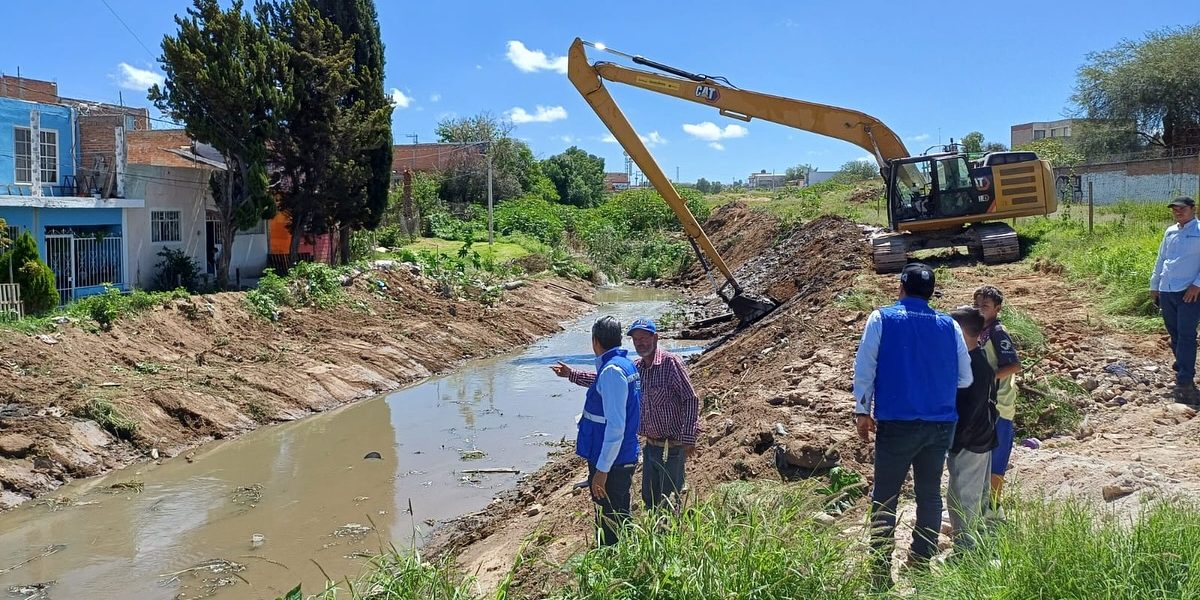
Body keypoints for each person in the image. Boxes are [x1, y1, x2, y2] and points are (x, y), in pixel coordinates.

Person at [852, 262, 972, 586]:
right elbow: (966, 377)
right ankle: (920, 562)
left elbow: (865, 367)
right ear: (931, 292)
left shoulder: (881, 319)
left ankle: (879, 572)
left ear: (901, 288)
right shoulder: (950, 326)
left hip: (897, 424)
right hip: (941, 425)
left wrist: (862, 411)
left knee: (886, 496)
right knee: (930, 495)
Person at [554, 317, 700, 511]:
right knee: (650, 499)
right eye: (636, 339)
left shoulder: (670, 363)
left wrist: (689, 437)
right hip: (650, 446)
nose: (640, 343)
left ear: (655, 338)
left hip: (672, 447)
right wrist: (571, 374)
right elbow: (604, 382)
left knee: (670, 500)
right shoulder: (637, 366)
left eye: (644, 338)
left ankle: (672, 539)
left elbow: (690, 398)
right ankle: (655, 538)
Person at [568, 316, 642, 546]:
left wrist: (601, 470)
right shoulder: (624, 364)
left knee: (610, 517)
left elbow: (616, 426)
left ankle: (613, 565)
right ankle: (627, 556)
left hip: (613, 460)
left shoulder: (612, 371)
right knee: (618, 512)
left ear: (595, 342)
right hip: (618, 456)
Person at [946, 306, 998, 552]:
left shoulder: (972, 365)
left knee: (963, 497)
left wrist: (955, 443)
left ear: (959, 332)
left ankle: (965, 551)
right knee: (975, 496)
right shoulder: (979, 360)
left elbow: (970, 411)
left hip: (970, 441)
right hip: (980, 438)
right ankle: (975, 541)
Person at [973, 285, 1021, 511]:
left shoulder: (997, 332)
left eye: (985, 306)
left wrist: (988, 379)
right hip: (984, 402)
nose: (980, 309)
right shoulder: (979, 331)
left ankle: (993, 505)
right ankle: (981, 502)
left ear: (998, 308)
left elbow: (1013, 365)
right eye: (977, 305)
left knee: (997, 456)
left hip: (1000, 403)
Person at [1150, 196, 1200, 404]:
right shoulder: (1170, 231)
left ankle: (1185, 380)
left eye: (1182, 208)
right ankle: (1182, 364)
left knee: (1187, 334)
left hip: (1190, 292)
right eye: (1175, 209)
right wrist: (1155, 285)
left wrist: (1197, 284)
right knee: (1175, 333)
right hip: (1167, 289)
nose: (1178, 212)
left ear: (1193, 209)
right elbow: (1162, 259)